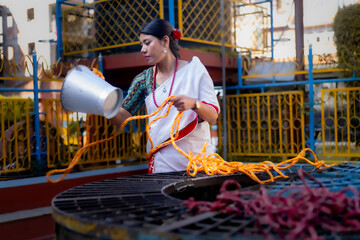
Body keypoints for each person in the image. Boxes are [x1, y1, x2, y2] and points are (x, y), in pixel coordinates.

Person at [109, 19, 220, 173]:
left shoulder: (195, 70)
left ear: (165, 41)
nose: (142, 49)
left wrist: (194, 104)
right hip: (163, 167)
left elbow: (213, 116)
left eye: (147, 43)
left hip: (199, 166)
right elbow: (121, 118)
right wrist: (101, 102)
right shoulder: (143, 80)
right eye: (141, 44)